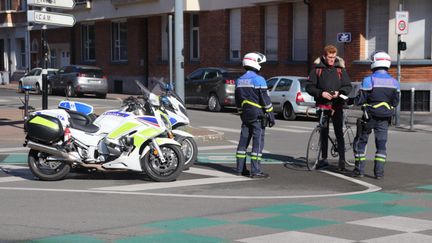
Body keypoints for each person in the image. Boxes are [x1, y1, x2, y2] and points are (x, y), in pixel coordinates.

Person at [352, 51, 400, 179]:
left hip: (369, 117)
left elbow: (360, 100)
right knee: (381, 145)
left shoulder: (369, 80)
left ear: (374, 63)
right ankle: (379, 173)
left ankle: (359, 170)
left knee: (360, 143)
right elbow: (395, 102)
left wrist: (352, 100)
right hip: (384, 118)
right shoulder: (394, 82)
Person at [306, 45, 352, 171]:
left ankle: (342, 160)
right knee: (323, 132)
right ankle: (323, 158)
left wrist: (340, 92)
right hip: (323, 105)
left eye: (333, 57)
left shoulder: (340, 70)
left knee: (338, 132)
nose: (332, 59)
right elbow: (309, 87)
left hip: (337, 105)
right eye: (329, 57)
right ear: (324, 56)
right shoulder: (317, 70)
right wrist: (321, 93)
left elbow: (348, 86)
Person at [235, 52, 275, 178]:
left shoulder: (239, 80)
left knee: (243, 141)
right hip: (258, 114)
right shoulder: (259, 79)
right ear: (255, 62)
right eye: (260, 63)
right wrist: (271, 114)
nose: (261, 66)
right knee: (258, 142)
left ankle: (240, 169)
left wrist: (241, 113)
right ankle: (256, 170)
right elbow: (265, 100)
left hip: (245, 114)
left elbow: (237, 101)